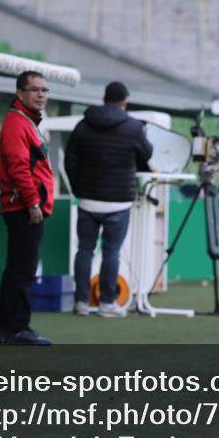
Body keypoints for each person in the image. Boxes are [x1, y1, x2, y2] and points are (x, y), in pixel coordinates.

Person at [65, 81, 153, 318]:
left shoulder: (83, 125)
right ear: (125, 101)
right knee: (111, 252)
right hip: (119, 201)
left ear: (104, 98)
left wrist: (77, 188)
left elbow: (70, 159)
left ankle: (81, 302)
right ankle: (106, 303)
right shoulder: (133, 127)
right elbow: (148, 153)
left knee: (84, 250)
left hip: (87, 200)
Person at [0, 71, 55, 345]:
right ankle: (17, 328)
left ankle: (7, 329)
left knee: (16, 269)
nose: (41, 94)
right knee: (23, 271)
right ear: (20, 93)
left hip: (23, 206)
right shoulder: (18, 123)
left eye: (44, 90)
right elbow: (19, 168)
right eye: (34, 90)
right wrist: (32, 202)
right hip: (24, 208)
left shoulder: (25, 122)